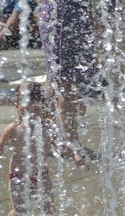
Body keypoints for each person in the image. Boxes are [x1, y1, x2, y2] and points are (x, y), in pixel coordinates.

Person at [35, 0, 97, 162]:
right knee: (64, 81)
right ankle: (70, 142)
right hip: (62, 17)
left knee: (57, 78)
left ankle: (50, 140)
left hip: (61, 14)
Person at [0, 81, 86, 215]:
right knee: (21, 211)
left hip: (42, 176)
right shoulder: (13, 128)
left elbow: (61, 144)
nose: (31, 115)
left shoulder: (48, 127)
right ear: (17, 107)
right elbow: (1, 143)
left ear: (43, 107)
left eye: (35, 110)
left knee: (49, 209)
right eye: (27, 110)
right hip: (19, 177)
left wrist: (75, 154)